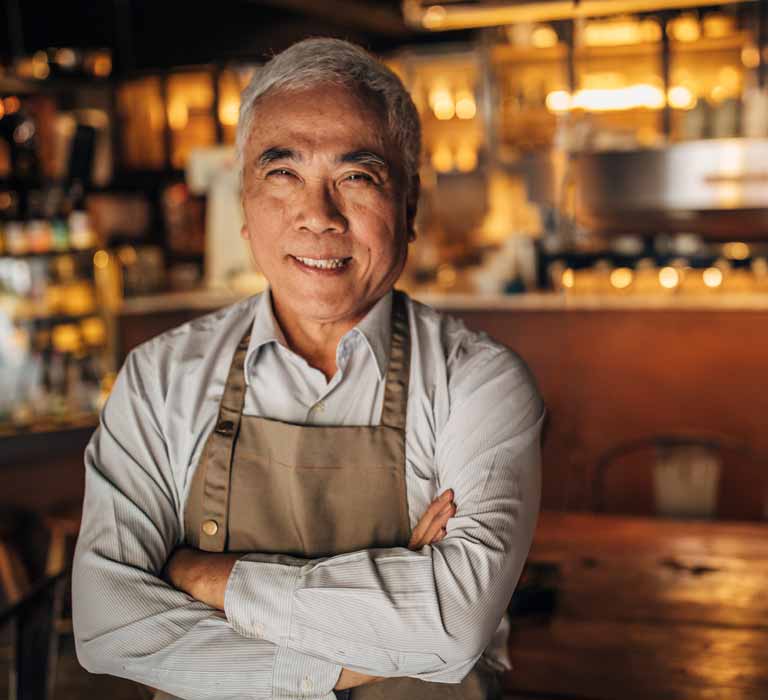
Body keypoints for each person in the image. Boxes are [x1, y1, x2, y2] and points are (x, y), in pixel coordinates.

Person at [72, 37, 543, 700]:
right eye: (282, 174)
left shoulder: (478, 383)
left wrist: (207, 578)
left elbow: (452, 625)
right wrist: (381, 628)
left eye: (357, 178)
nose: (317, 216)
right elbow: (107, 628)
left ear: (408, 209)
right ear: (244, 207)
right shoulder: (159, 381)